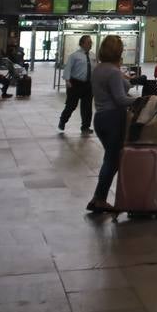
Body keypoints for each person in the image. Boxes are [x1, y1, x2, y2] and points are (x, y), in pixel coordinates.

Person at [88, 35, 133, 214]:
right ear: (118, 51)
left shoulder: (98, 69)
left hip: (100, 118)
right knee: (112, 160)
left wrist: (120, 72)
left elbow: (123, 86)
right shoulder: (113, 72)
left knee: (110, 159)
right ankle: (99, 199)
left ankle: (98, 198)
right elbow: (121, 99)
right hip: (114, 118)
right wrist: (140, 101)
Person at [58, 35, 94, 135]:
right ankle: (63, 120)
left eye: (91, 42)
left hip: (88, 84)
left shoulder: (92, 56)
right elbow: (68, 68)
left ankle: (85, 127)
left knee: (87, 107)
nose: (90, 44)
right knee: (71, 105)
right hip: (75, 84)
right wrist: (67, 80)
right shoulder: (74, 56)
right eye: (88, 42)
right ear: (82, 44)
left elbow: (94, 69)